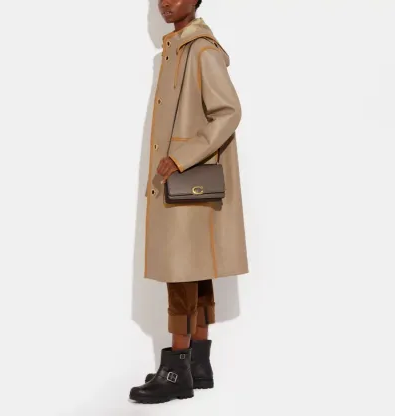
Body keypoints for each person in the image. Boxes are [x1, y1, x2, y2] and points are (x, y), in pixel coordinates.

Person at [130, 0, 249, 403]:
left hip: (187, 180)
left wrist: (181, 156)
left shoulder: (200, 50)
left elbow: (229, 112)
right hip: (186, 183)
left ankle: (175, 369)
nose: (165, 2)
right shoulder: (177, 48)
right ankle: (198, 364)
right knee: (195, 270)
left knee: (181, 271)